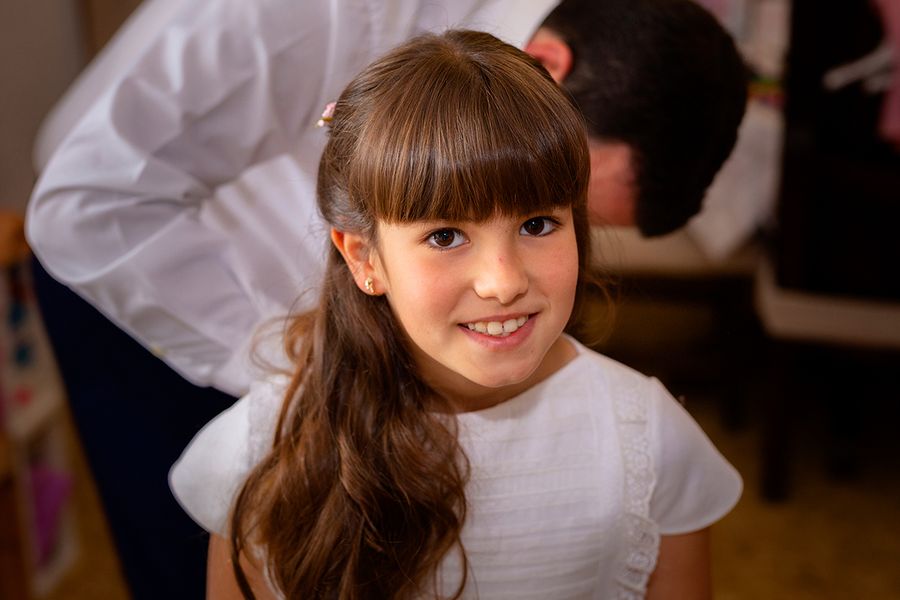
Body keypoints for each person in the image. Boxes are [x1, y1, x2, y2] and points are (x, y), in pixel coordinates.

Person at [26, 1, 745, 597]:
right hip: (121, 255)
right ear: (549, 69)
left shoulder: (643, 435)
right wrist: (319, 368)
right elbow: (87, 206)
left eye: (545, 222)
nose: (508, 279)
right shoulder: (326, 12)